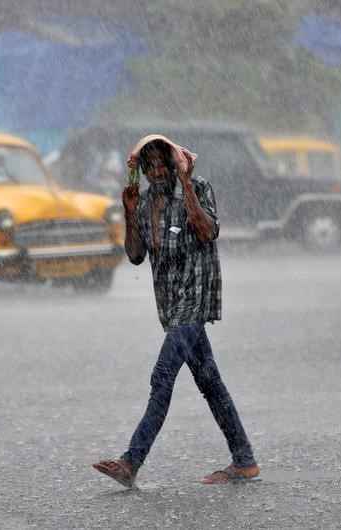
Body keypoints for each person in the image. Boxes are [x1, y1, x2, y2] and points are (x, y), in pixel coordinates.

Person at [92, 135, 259, 488]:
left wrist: (186, 182)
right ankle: (244, 459)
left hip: (195, 300)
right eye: (149, 167)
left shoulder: (197, 187)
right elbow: (136, 255)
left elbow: (207, 231)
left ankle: (130, 461)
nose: (157, 172)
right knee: (210, 383)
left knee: (162, 375)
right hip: (170, 306)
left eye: (163, 164)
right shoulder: (146, 201)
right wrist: (129, 212)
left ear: (174, 163)